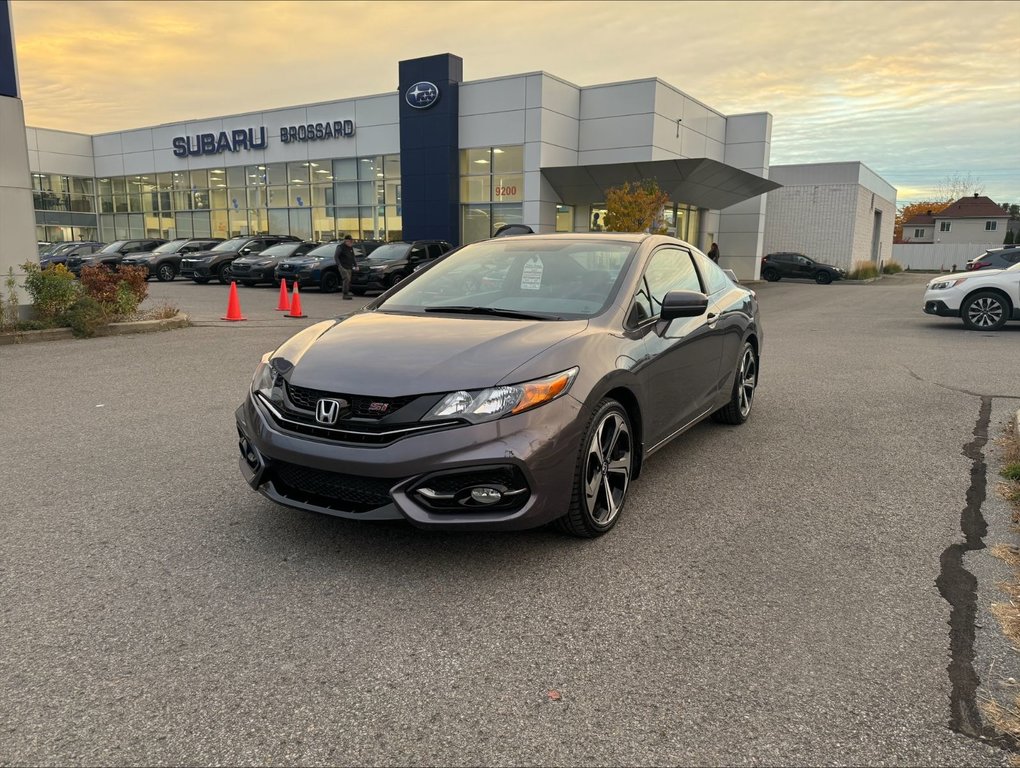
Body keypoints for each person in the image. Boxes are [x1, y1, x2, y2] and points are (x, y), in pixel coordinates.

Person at [335, 234, 357, 299]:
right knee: (346, 279)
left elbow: (353, 257)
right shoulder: (340, 247)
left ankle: (347, 292)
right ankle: (345, 294)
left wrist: (356, 265)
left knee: (348, 280)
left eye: (351, 241)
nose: (351, 243)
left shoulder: (350, 248)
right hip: (342, 266)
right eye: (350, 241)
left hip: (349, 266)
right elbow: (336, 256)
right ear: (346, 241)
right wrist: (339, 265)